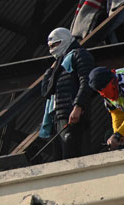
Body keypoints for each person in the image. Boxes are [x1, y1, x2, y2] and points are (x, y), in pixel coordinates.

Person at [39, 28, 95, 159]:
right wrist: (50, 71)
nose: (52, 49)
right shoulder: (59, 65)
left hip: (73, 115)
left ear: (65, 40)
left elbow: (87, 82)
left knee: (71, 155)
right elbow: (46, 92)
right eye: (50, 46)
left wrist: (78, 106)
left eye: (55, 44)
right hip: (57, 117)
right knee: (59, 158)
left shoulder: (80, 55)